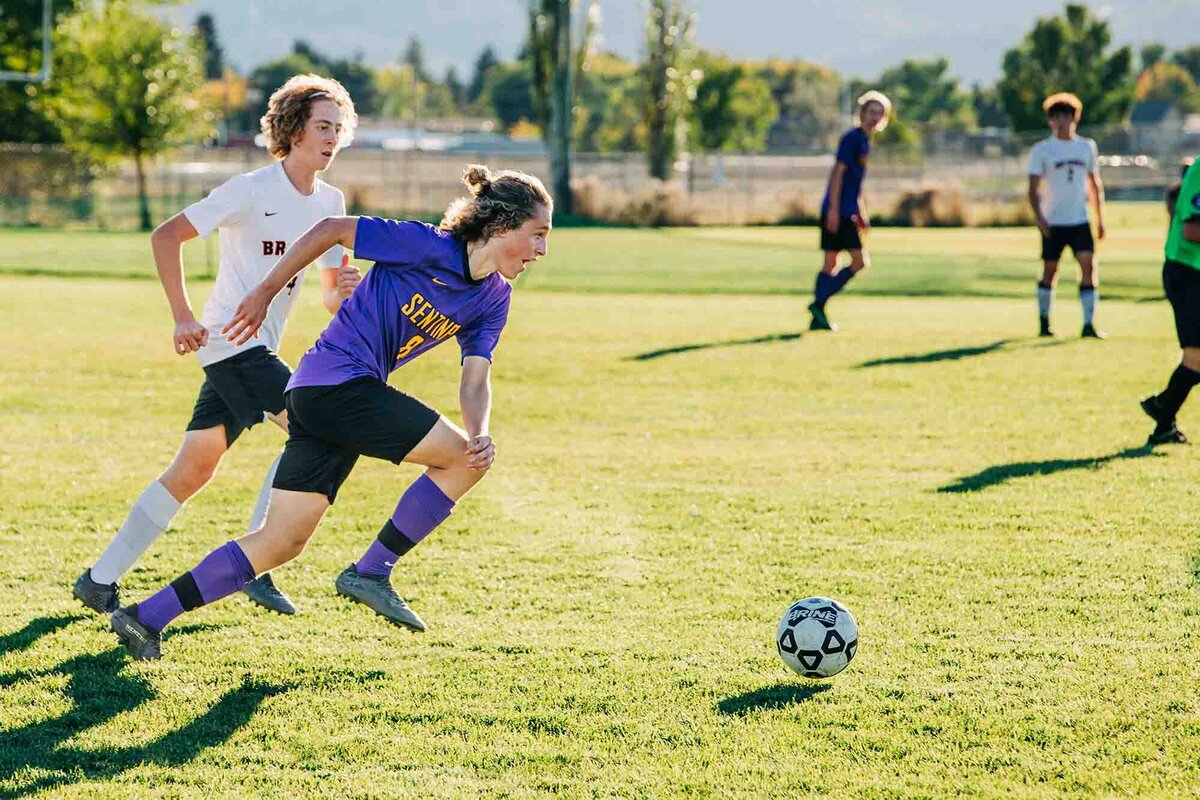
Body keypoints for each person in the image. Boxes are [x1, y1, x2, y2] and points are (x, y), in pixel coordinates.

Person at [108, 164, 552, 660]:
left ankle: (145, 616)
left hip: (328, 400)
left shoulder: (494, 299)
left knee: (281, 542)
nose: (541, 251)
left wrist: (481, 430)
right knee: (459, 460)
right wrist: (264, 291)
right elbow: (331, 230)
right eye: (537, 235)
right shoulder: (427, 245)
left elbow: (475, 376)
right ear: (501, 226)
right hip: (334, 385)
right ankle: (371, 571)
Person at [73, 74, 362, 618]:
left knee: (193, 469)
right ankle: (260, 563)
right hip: (230, 343)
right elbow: (166, 236)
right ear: (294, 129)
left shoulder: (331, 201)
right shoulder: (250, 190)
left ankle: (98, 579)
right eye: (322, 126)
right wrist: (183, 317)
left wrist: (345, 290)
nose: (331, 138)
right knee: (316, 423)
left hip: (258, 349)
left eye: (339, 130)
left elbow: (328, 297)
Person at [807, 90, 890, 332]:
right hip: (838, 211)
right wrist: (833, 209)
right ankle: (818, 303)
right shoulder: (852, 138)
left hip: (848, 210)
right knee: (858, 261)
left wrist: (861, 211)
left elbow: (856, 183)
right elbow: (838, 174)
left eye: (880, 112)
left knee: (831, 263)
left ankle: (817, 316)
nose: (875, 117)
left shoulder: (866, 140)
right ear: (862, 113)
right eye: (871, 111)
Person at [1027, 92, 1107, 339]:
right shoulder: (1042, 150)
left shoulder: (1086, 147)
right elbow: (1032, 189)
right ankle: (1044, 322)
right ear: (1050, 121)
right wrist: (1040, 219)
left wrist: (1100, 218)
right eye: (1057, 117)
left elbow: (1094, 184)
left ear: (1075, 118)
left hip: (1079, 220)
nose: (1062, 121)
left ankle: (1088, 324)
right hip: (1054, 221)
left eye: (1066, 116)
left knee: (1088, 266)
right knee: (1050, 271)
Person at [1140, 157, 1200, 445]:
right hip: (1187, 275)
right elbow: (1192, 231)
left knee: (1196, 358)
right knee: (1196, 357)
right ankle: (1163, 415)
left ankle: (1163, 409)